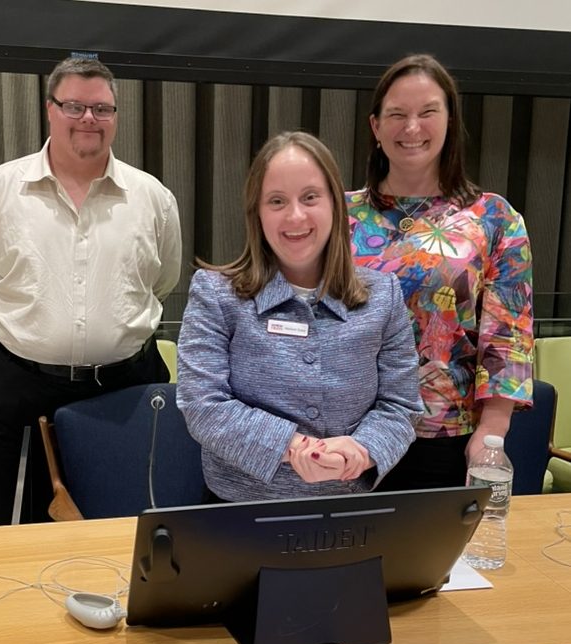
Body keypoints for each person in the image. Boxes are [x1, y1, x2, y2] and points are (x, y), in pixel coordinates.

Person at [0, 57, 181, 525]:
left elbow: (162, 281)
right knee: (20, 532)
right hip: (18, 390)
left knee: (121, 528)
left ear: (116, 116)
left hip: (123, 390)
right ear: (50, 109)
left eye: (102, 109)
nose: (89, 120)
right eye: (74, 106)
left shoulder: (152, 198)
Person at [176, 131, 422, 503]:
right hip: (237, 515)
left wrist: (363, 450)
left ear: (336, 206)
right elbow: (203, 405)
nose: (295, 216)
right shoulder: (215, 294)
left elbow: (401, 405)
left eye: (310, 197)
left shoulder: (383, 296)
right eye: (276, 201)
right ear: (257, 213)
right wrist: (295, 447)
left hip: (351, 512)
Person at [347, 54, 534, 491]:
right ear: (376, 128)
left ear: (450, 121)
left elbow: (508, 341)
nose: (412, 128)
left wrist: (491, 438)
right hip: (345, 436)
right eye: (397, 114)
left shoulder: (494, 218)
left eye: (428, 112)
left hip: (444, 438)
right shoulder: (339, 214)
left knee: (433, 561)